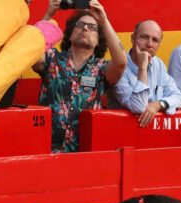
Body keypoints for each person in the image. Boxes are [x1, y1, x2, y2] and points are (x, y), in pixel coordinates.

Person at [32, 0, 127, 152]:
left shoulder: (101, 68)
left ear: (98, 41)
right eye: (80, 25)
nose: (85, 29)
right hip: (47, 151)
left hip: (85, 153)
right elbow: (31, 50)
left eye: (92, 28)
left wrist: (104, 21)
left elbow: (121, 62)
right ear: (69, 35)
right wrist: (49, 13)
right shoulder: (52, 59)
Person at [107, 20, 181, 127]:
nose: (149, 44)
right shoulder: (119, 66)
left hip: (150, 136)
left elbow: (179, 97)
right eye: (144, 37)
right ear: (133, 38)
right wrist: (143, 67)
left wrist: (158, 104)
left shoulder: (158, 64)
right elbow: (138, 107)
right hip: (121, 133)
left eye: (155, 40)